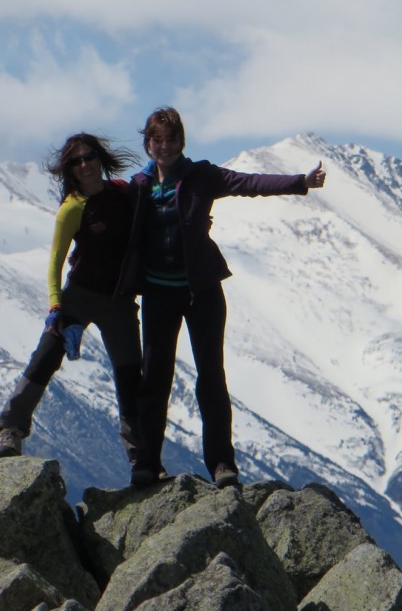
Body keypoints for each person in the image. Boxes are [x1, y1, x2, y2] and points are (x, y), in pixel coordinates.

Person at [118, 107, 326, 489]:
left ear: (182, 141)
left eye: (170, 139)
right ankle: (146, 464)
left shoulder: (201, 176)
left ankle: (222, 465)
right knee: (155, 379)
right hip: (158, 294)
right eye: (156, 140)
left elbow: (248, 182)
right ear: (147, 143)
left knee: (210, 378)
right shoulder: (138, 187)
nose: (163, 147)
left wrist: (301, 181)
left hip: (201, 291)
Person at [0, 133, 143, 467]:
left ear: (100, 159)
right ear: (69, 170)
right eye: (76, 161)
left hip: (119, 301)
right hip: (79, 296)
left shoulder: (125, 194)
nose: (85, 165)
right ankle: (10, 430)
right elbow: (55, 263)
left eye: (89, 157)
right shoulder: (72, 208)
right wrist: (56, 307)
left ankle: (140, 456)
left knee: (130, 376)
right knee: (45, 357)